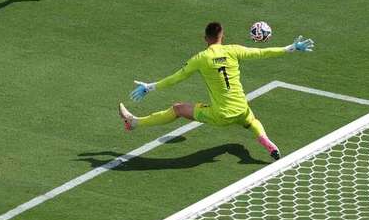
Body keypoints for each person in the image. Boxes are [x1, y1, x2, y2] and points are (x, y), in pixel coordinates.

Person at [118, 23, 315, 160]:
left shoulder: (201, 58)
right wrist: (291, 48)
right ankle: (265, 141)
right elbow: (263, 53)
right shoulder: (233, 50)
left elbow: (175, 78)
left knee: (178, 109)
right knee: (252, 121)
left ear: (205, 39)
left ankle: (135, 123)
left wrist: (149, 87)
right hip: (241, 108)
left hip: (220, 114)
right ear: (222, 36)